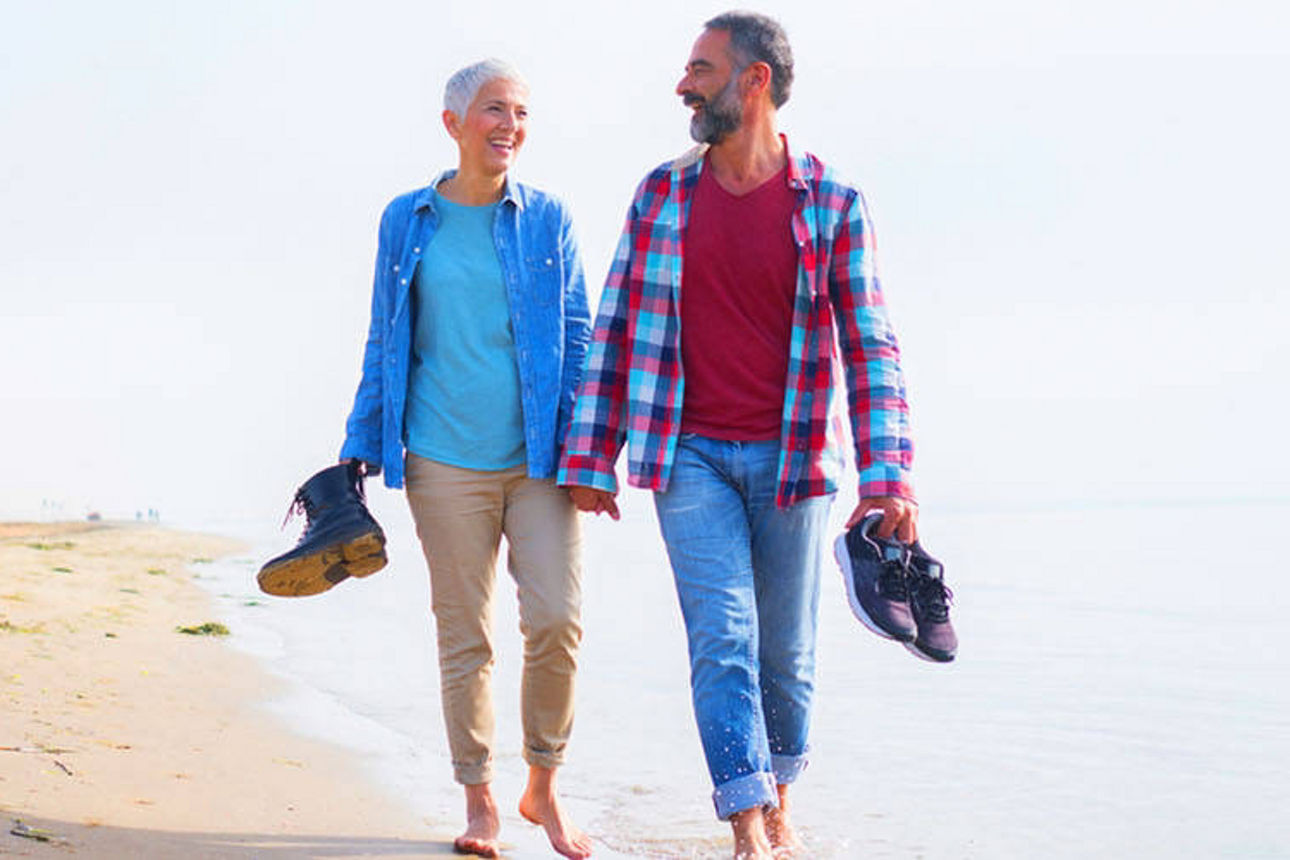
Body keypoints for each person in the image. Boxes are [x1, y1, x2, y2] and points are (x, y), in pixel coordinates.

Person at [557, 13, 918, 859]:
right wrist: (591, 454)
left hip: (797, 460)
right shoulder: (662, 195)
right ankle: (749, 828)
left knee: (786, 653)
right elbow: (616, 326)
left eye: (702, 70)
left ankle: (780, 796)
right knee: (723, 637)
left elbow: (870, 344)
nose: (684, 85)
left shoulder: (832, 202)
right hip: (688, 453)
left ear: (755, 82)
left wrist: (889, 475)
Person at [339, 59, 593, 859]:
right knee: (466, 635)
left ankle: (542, 785)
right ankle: (480, 801)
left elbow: (578, 335)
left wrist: (589, 451)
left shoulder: (548, 219)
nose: (509, 125)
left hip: (540, 458)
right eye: (493, 109)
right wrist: (359, 443)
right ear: (453, 123)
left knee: (557, 621)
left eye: (520, 112)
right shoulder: (406, 219)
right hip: (442, 459)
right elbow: (385, 335)